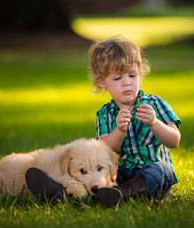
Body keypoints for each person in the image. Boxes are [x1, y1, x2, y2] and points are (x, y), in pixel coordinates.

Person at [25, 36, 181, 208]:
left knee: (159, 172)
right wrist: (119, 131)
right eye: (118, 78)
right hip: (119, 173)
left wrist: (155, 123)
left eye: (132, 75)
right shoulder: (105, 114)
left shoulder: (156, 104)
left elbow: (174, 140)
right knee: (97, 177)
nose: (127, 82)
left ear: (140, 74)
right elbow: (103, 149)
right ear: (102, 82)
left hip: (151, 173)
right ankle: (61, 191)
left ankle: (121, 194)